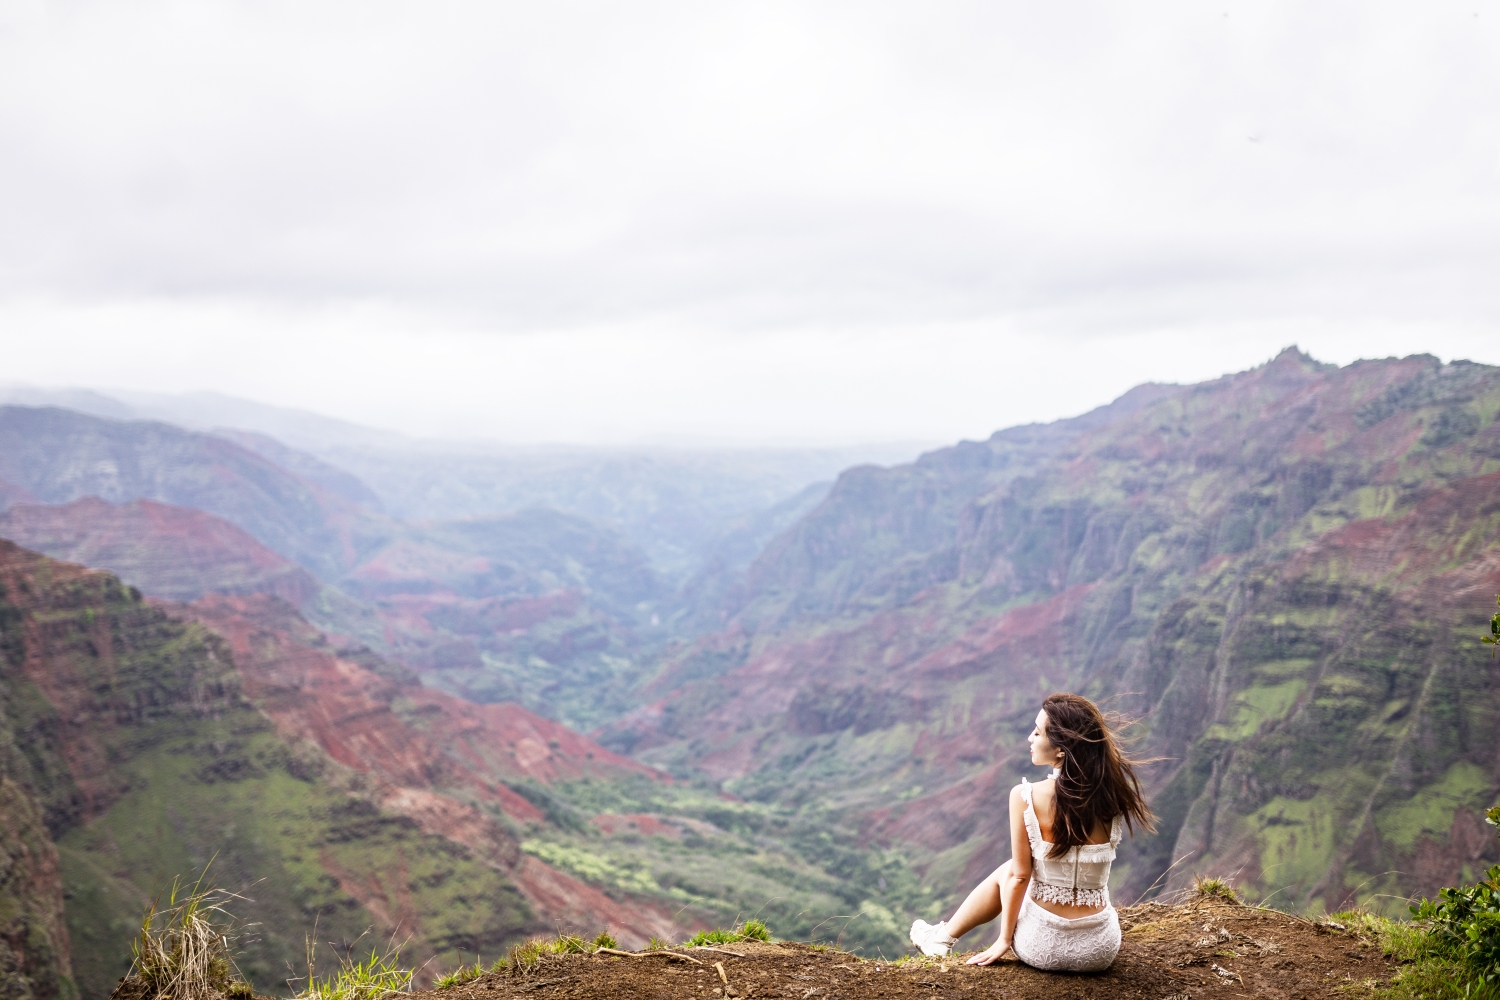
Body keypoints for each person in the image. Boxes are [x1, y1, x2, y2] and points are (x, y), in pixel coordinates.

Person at [908, 693, 1154, 972]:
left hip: (1041, 946)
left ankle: (941, 939)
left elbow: (1021, 876)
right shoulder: (1115, 797)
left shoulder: (1025, 796)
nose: (1029, 738)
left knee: (1011, 869)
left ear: (1061, 750)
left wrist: (1003, 940)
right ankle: (939, 937)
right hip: (1099, 950)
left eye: (1037, 732)